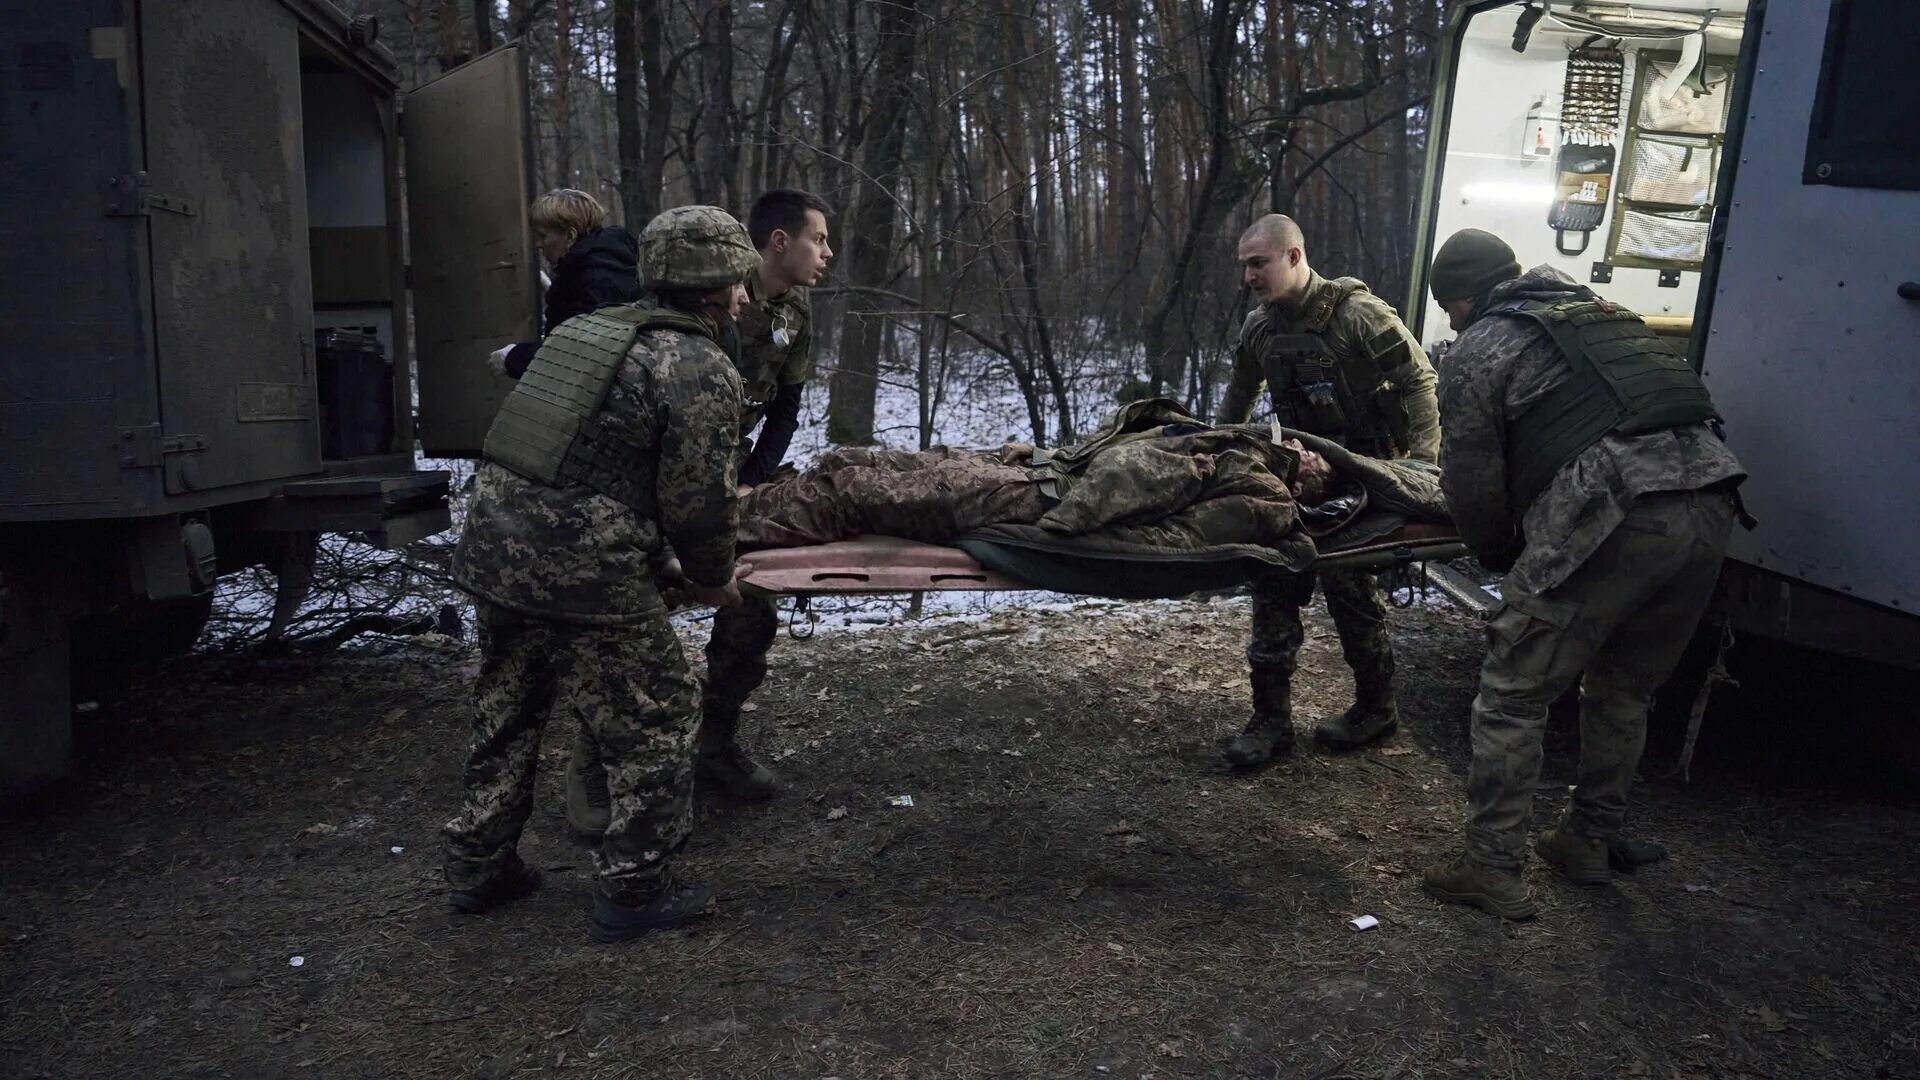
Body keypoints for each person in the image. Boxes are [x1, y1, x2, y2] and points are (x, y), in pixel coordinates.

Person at [442, 205, 758, 942]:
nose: (744, 296)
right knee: (658, 712)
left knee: (508, 706)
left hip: (495, 545)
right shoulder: (700, 364)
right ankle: (635, 886)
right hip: (580, 565)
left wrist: (655, 555)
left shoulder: (586, 333)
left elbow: (574, 461)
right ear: (714, 288)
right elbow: (699, 504)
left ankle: (478, 866)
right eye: (738, 282)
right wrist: (712, 575)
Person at [1417, 229, 1747, 920]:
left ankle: (1493, 869)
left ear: (1468, 296)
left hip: (1616, 511)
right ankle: (1588, 840)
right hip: (1713, 500)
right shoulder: (1606, 312)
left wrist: (1495, 553)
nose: (1449, 321)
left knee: (1512, 692)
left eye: (1448, 306)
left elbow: (1472, 479)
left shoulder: (1480, 346)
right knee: (1625, 688)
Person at [565, 189, 833, 831]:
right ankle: (594, 770)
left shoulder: (795, 309)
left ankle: (715, 743)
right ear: (778, 242)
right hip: (649, 475)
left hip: (721, 473)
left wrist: (750, 480)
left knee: (752, 607)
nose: (826, 253)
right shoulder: (707, 288)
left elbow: (786, 404)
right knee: (627, 625)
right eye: (818, 239)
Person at [1215, 214, 1441, 769]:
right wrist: (1220, 451)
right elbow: (1241, 392)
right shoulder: (1260, 329)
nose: (1248, 275)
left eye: (1258, 262)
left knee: (1350, 592)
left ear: (1294, 257)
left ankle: (1376, 707)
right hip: (1301, 472)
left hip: (1366, 474)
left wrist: (1421, 466)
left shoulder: (1359, 316)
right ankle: (1270, 720)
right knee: (1274, 575)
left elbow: (1419, 382)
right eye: (1244, 264)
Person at [488, 189, 641, 379]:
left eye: (543, 236)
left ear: (570, 236)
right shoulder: (602, 267)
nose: (538, 244)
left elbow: (577, 354)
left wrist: (513, 357)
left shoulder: (595, 279)